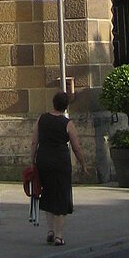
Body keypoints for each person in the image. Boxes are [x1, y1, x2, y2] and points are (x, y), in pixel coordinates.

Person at [31, 90, 85, 246]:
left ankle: (50, 230)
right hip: (60, 163)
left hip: (43, 160)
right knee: (61, 197)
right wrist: (83, 164)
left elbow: (34, 141)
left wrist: (32, 160)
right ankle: (59, 235)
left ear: (53, 103)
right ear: (66, 106)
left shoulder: (41, 119)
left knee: (47, 194)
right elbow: (76, 147)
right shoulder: (67, 124)